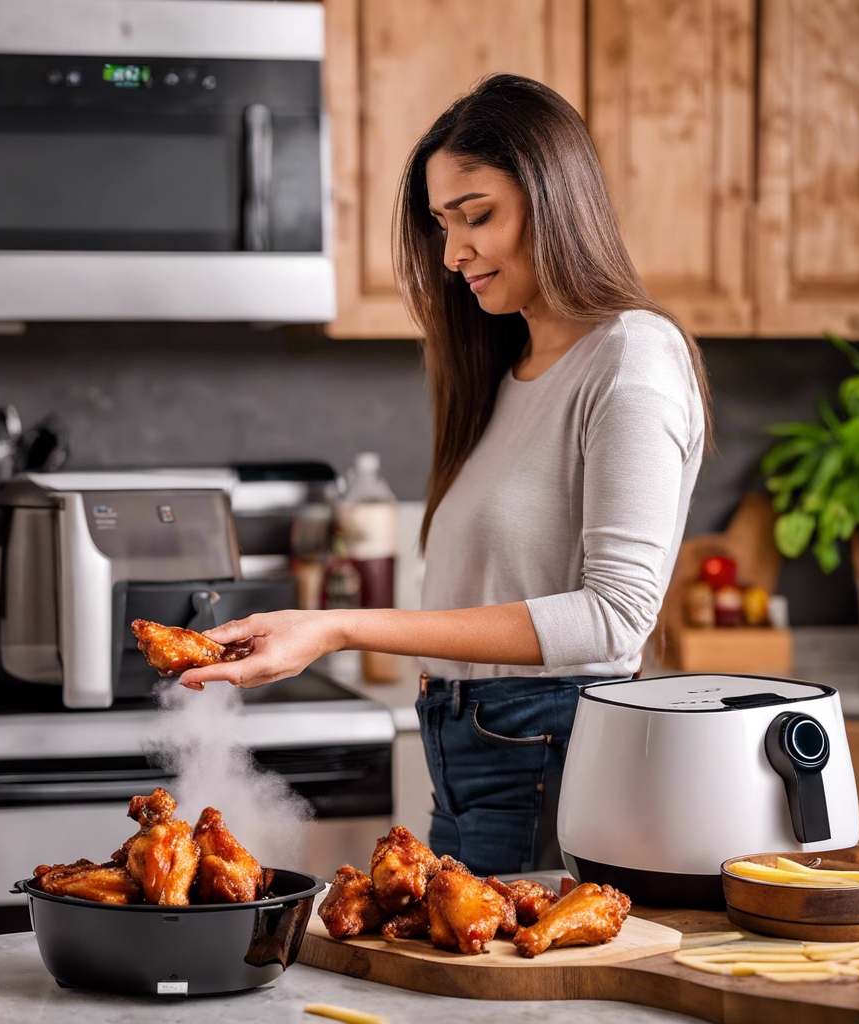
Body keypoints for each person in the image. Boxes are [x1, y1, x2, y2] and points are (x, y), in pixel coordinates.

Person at [178, 74, 712, 876]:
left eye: (478, 216)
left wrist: (340, 626)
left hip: (548, 746)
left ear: (555, 198)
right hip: (470, 745)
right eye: (440, 223)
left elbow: (614, 619)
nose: (453, 252)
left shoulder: (631, 356)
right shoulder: (507, 368)